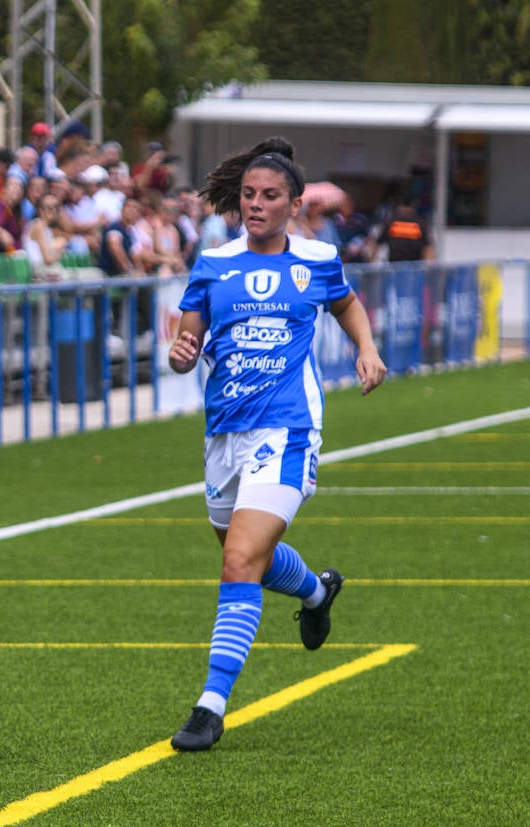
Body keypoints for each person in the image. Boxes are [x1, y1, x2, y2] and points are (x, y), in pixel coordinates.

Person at [164, 137, 388, 752]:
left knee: (238, 562)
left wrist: (366, 348)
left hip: (288, 430)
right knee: (249, 560)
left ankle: (210, 706)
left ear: (294, 204)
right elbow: (186, 347)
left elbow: (347, 306)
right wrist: (181, 354)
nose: (256, 205)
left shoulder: (317, 259)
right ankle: (317, 591)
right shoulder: (213, 264)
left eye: (269, 196)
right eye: (248, 195)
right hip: (224, 434)